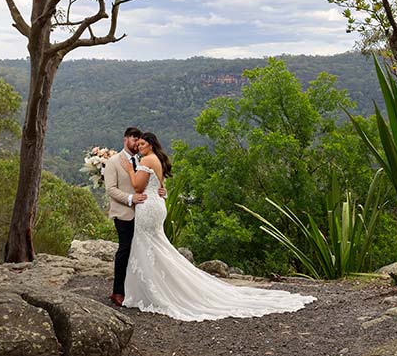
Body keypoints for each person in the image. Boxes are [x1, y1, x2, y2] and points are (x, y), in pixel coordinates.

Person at [121, 132, 315, 321]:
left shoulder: (146, 160)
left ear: (151, 144)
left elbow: (138, 187)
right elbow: (160, 186)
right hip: (157, 205)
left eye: (142, 145)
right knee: (157, 247)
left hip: (147, 208)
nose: (139, 148)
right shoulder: (157, 160)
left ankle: (158, 290)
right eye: (138, 146)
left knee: (150, 246)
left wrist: (130, 170)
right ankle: (160, 286)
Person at [104, 127, 144, 307]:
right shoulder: (113, 162)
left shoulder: (140, 160)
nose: (137, 143)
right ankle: (118, 292)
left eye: (139, 140)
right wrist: (130, 198)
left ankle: (134, 289)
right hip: (123, 213)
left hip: (142, 214)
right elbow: (110, 189)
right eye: (134, 139)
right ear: (125, 139)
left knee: (139, 250)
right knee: (125, 249)